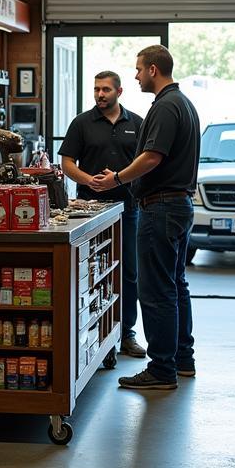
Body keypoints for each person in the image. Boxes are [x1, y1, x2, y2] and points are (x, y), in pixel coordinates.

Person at [90, 45, 200, 391]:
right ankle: (182, 359)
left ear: (153, 69)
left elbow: (152, 157)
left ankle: (162, 369)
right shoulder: (181, 103)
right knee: (175, 284)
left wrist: (117, 178)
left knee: (157, 291)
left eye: (138, 69)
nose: (135, 75)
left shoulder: (167, 106)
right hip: (178, 206)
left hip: (162, 207)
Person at [59, 72, 146, 358]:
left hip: (129, 208)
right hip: (89, 210)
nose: (100, 94)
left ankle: (127, 334)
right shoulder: (82, 123)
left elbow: (146, 163)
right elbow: (67, 162)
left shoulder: (137, 123)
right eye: (96, 89)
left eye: (106, 89)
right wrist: (86, 180)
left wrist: (119, 180)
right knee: (91, 271)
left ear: (119, 91)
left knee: (129, 273)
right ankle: (93, 328)